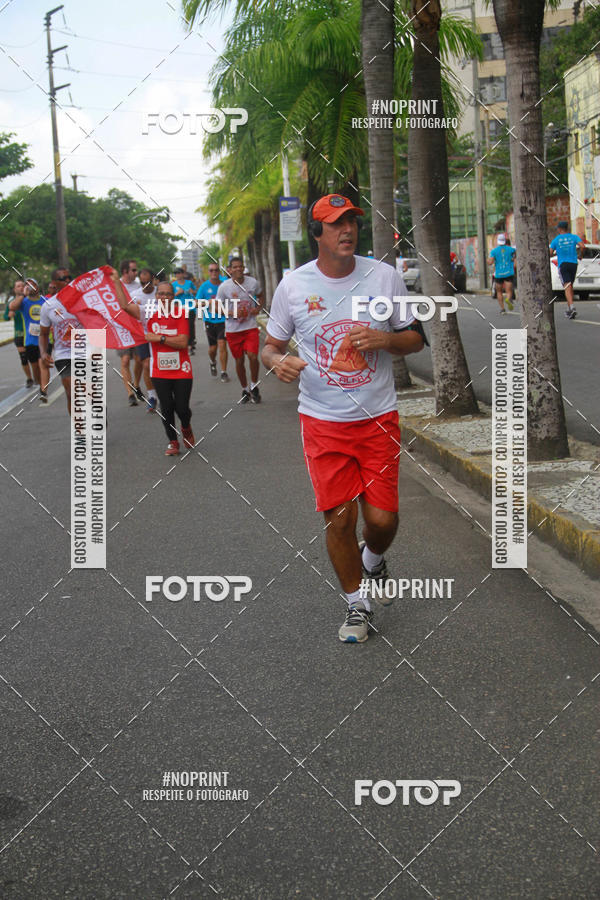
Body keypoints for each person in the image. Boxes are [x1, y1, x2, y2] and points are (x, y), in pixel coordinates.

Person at [261, 193, 425, 643]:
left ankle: (373, 559)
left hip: (377, 419)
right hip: (322, 421)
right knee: (339, 519)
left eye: (351, 221)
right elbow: (270, 346)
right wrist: (276, 361)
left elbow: (415, 338)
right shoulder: (294, 286)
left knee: (383, 521)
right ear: (317, 233)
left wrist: (386, 340)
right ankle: (357, 604)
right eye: (335, 223)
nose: (347, 230)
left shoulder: (384, 277)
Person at [114, 276, 195, 455]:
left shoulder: (181, 313)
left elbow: (183, 342)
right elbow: (125, 306)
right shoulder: (148, 312)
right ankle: (173, 442)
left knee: (182, 408)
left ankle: (186, 427)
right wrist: (116, 282)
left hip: (182, 369)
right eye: (161, 294)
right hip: (159, 370)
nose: (164, 297)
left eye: (168, 294)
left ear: (173, 297)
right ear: (156, 296)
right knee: (166, 407)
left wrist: (159, 338)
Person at [217, 256, 264, 403]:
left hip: (250, 327)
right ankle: (245, 389)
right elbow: (217, 308)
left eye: (240, 266)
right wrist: (232, 313)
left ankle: (254, 386)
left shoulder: (253, 282)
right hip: (233, 330)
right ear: (230, 270)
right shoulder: (224, 287)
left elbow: (261, 296)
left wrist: (258, 308)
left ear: (244, 268)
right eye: (235, 267)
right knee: (239, 361)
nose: (238, 269)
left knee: (253, 356)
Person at [38, 276, 81, 415]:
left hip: (86, 352)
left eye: (69, 278)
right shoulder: (49, 306)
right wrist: (44, 353)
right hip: (63, 355)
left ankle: (96, 413)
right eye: (63, 279)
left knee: (90, 392)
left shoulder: (83, 300)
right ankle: (79, 425)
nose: (67, 281)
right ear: (54, 283)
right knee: (71, 392)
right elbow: (43, 334)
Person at [10, 277, 46, 400]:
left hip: (43, 339)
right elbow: (12, 307)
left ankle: (43, 389)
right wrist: (22, 295)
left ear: (37, 287)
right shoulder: (23, 302)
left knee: (42, 363)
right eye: (27, 285)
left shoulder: (44, 301)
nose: (30, 287)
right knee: (35, 366)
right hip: (30, 340)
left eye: (32, 285)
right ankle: (37, 382)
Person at [129, 267, 159, 412]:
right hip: (143, 335)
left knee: (160, 365)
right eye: (142, 283)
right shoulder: (134, 295)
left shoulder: (160, 293)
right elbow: (127, 313)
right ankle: (152, 396)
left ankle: (164, 392)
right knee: (146, 364)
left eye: (148, 282)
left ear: (153, 280)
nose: (145, 285)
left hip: (160, 334)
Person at [196, 262, 229, 381]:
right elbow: (196, 303)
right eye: (211, 270)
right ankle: (212, 361)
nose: (214, 272)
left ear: (219, 272)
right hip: (209, 321)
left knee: (222, 345)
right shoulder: (204, 286)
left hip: (223, 320)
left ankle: (224, 372)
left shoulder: (225, 285)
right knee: (213, 349)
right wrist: (208, 302)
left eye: (216, 270)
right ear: (209, 272)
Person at [117, 259, 141, 406]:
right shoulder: (116, 286)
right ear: (125, 271)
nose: (136, 273)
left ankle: (136, 384)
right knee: (125, 360)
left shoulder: (139, 286)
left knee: (139, 359)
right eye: (133, 270)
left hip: (137, 327)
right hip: (122, 328)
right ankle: (130, 394)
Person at [549, 221, 584, 319]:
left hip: (563, 264)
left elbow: (550, 253)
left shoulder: (556, 239)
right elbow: (583, 246)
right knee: (570, 286)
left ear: (559, 229)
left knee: (567, 286)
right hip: (573, 264)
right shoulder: (574, 237)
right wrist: (580, 255)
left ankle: (572, 307)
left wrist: (555, 253)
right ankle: (569, 309)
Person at [4, 279, 33, 387]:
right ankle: (29, 378)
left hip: (31, 333)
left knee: (34, 357)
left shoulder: (30, 300)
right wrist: (9, 315)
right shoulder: (12, 303)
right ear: (14, 289)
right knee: (24, 357)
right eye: (18, 286)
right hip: (19, 333)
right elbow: (6, 317)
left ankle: (38, 376)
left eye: (22, 285)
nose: (21, 288)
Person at [488, 233, 516, 313]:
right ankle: (508, 299)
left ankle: (502, 309)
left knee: (499, 292)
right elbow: (515, 256)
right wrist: (513, 260)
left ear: (498, 241)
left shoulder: (494, 251)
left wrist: (488, 260)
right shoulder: (511, 249)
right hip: (509, 273)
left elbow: (490, 262)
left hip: (498, 274)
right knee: (509, 291)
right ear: (505, 241)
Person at [171, 267, 197, 355]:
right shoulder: (173, 285)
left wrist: (192, 291)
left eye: (179, 273)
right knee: (181, 327)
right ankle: (182, 343)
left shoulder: (189, 283)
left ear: (183, 274)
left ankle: (190, 345)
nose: (177, 275)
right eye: (176, 273)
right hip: (179, 308)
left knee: (190, 326)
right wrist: (177, 293)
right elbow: (171, 296)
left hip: (190, 308)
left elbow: (196, 292)